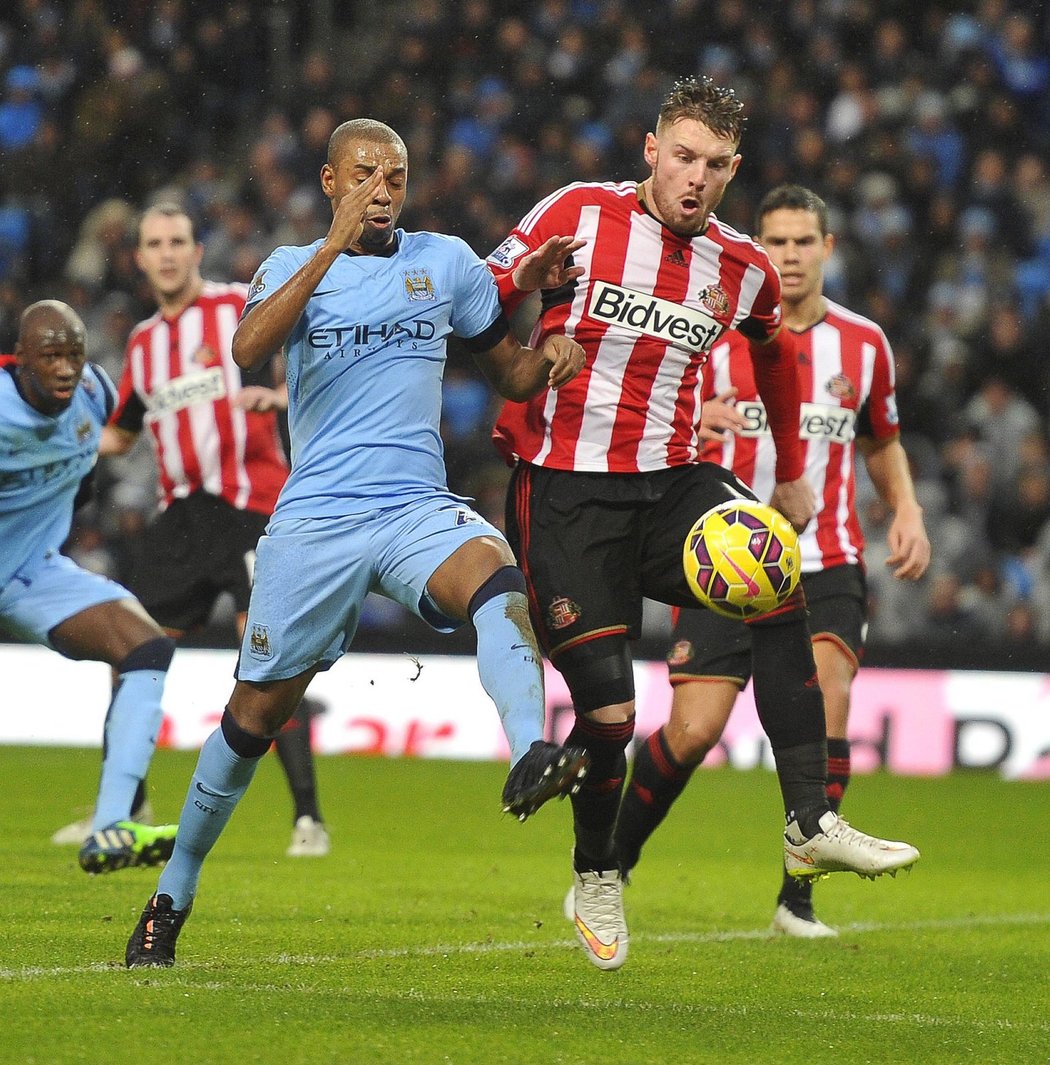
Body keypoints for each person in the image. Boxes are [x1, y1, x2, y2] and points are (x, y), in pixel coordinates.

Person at [124, 118, 590, 968]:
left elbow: (510, 371)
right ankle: (171, 893)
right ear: (333, 182)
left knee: (496, 579)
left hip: (413, 505)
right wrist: (331, 248)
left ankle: (530, 750)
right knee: (253, 715)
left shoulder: (446, 263)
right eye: (367, 174)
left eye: (399, 176)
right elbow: (246, 348)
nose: (385, 189)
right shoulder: (287, 265)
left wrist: (548, 351)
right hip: (315, 521)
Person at [485, 77, 920, 971]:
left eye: (715, 165)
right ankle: (599, 869)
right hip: (565, 492)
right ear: (651, 151)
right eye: (682, 156)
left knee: (774, 572)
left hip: (675, 482)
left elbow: (776, 354)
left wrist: (792, 472)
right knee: (611, 716)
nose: (696, 178)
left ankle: (809, 821)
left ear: (732, 172)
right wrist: (520, 312)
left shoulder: (740, 265)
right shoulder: (577, 212)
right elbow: (478, 305)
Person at [612, 183, 932, 938]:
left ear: (827, 248)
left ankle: (797, 898)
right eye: (776, 242)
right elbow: (653, 425)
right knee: (692, 731)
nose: (788, 255)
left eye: (802, 241)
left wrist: (908, 507)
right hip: (722, 556)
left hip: (824, 556)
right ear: (757, 248)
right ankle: (611, 860)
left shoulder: (864, 344)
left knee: (830, 692)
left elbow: (882, 439)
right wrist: (699, 419)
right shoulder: (714, 336)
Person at [50, 203, 331, 859]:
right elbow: (120, 431)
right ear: (141, 258)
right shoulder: (145, 344)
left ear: (196, 251)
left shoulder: (239, 305)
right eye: (156, 243)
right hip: (181, 520)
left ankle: (308, 818)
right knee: (131, 654)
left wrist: (284, 398)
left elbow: (318, 357)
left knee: (270, 660)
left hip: (253, 510)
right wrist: (60, 442)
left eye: (179, 240)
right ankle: (124, 802)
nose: (169, 252)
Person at [0, 300, 178, 874]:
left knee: (147, 646)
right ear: (20, 359)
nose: (64, 368)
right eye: (50, 356)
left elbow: (86, 472)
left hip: (30, 571)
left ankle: (110, 826)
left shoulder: (94, 394)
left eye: (73, 354)